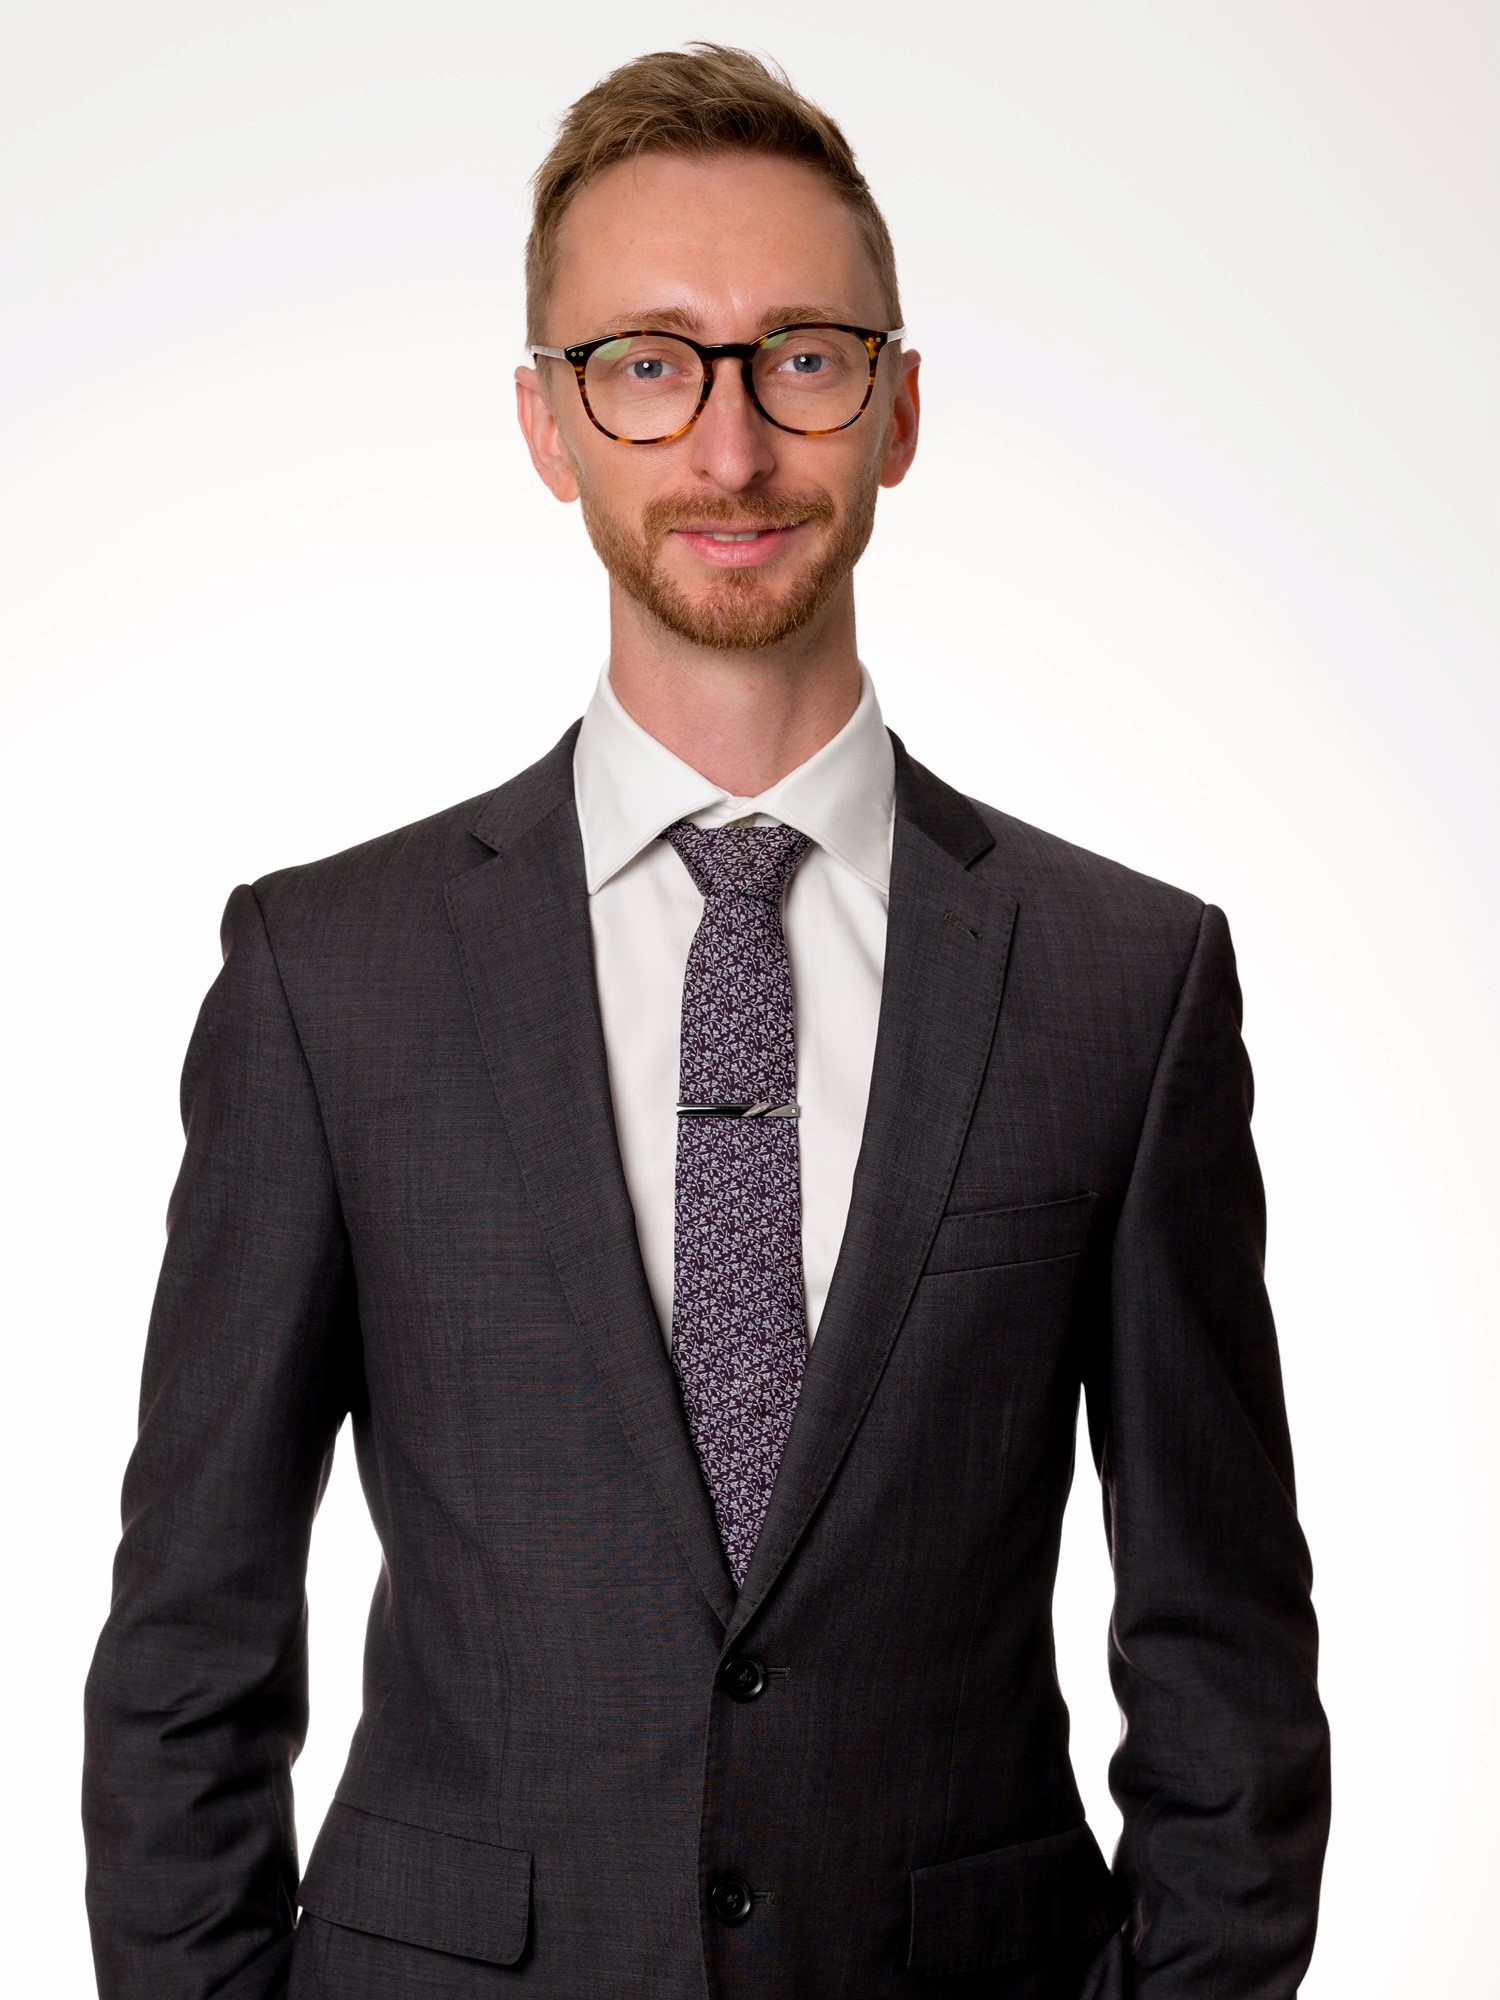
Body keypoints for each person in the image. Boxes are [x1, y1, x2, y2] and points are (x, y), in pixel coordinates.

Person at [82, 43, 1330, 2000]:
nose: (731, 448)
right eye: (648, 364)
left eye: (803, 357)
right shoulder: (329, 976)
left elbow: (1225, 1665)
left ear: (898, 407)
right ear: (547, 423)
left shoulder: (1124, 982)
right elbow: (187, 1656)